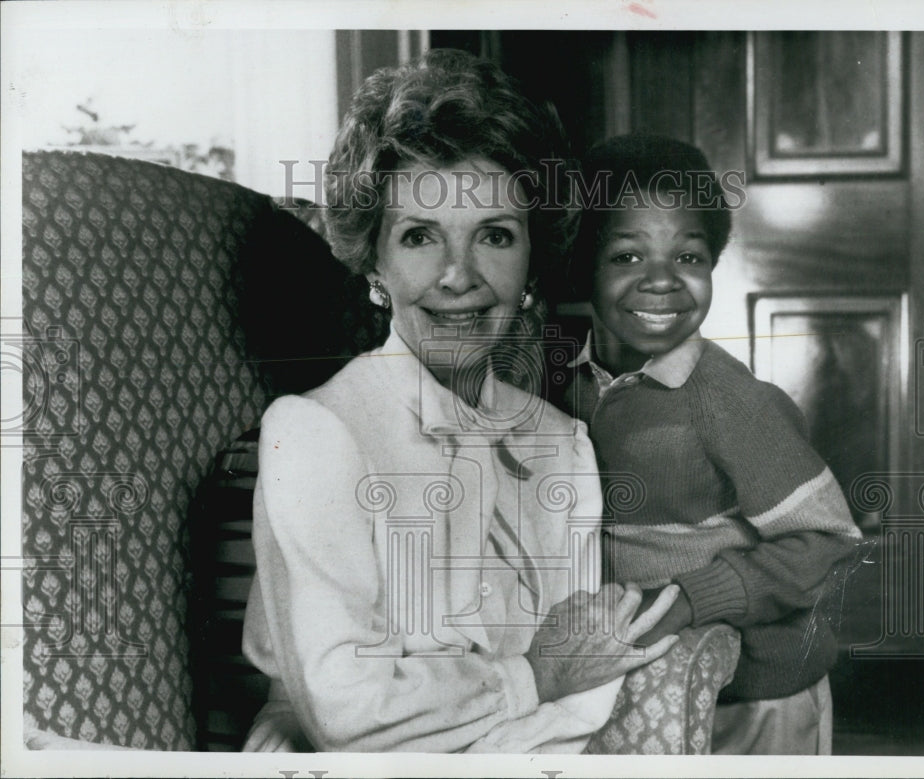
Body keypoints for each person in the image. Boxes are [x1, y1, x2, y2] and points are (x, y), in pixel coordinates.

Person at [240, 52, 680, 754]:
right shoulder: (316, 432)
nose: (459, 276)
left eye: (495, 236)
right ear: (375, 264)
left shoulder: (561, 441)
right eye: (419, 236)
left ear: (532, 260)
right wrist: (529, 677)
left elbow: (585, 671)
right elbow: (348, 709)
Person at [560, 134, 862, 754]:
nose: (662, 282)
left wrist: (694, 600)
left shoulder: (729, 401)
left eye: (689, 258)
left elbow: (828, 541)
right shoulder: (561, 387)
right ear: (581, 266)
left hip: (760, 694)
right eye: (625, 257)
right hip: (644, 683)